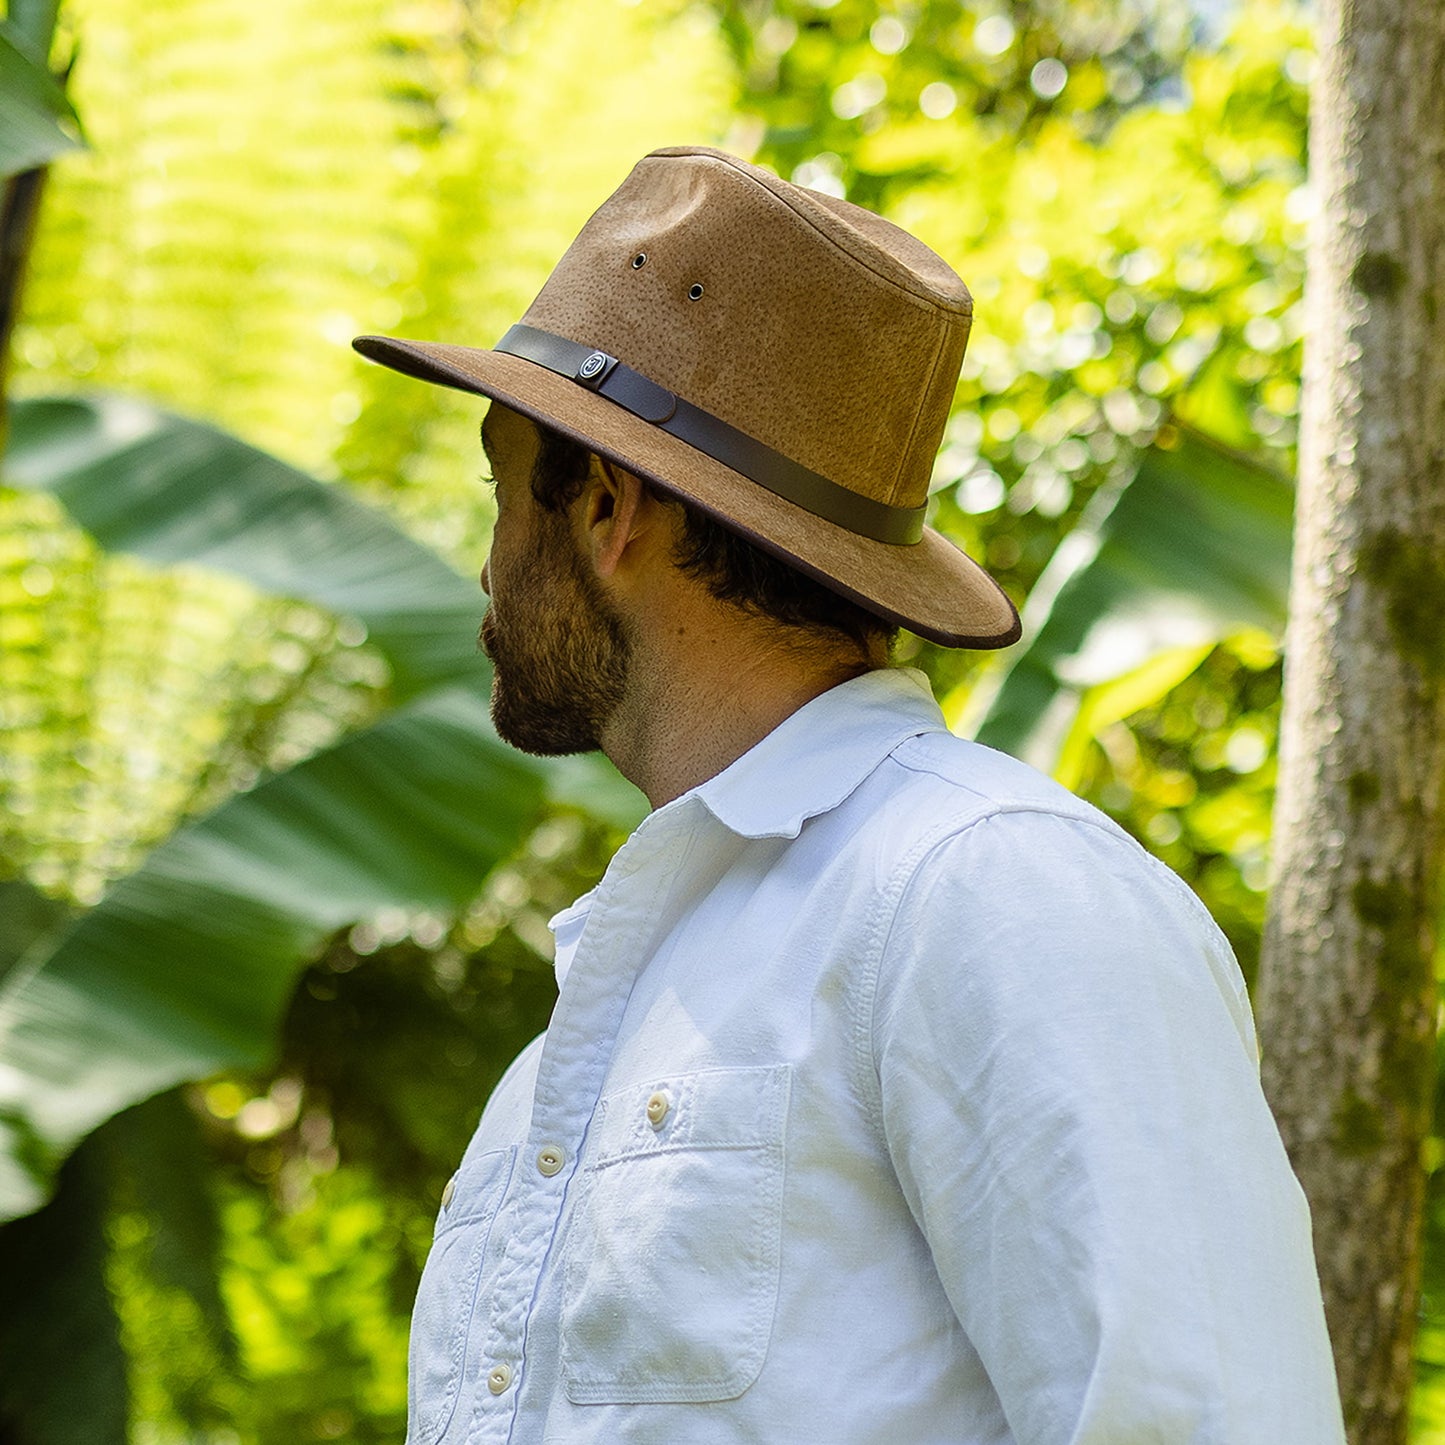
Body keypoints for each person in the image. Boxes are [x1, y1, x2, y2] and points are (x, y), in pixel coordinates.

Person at [354, 145, 1345, 1445]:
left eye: (498, 489)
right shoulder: (562, 1069)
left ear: (605, 508)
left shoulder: (994, 892)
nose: (482, 566)